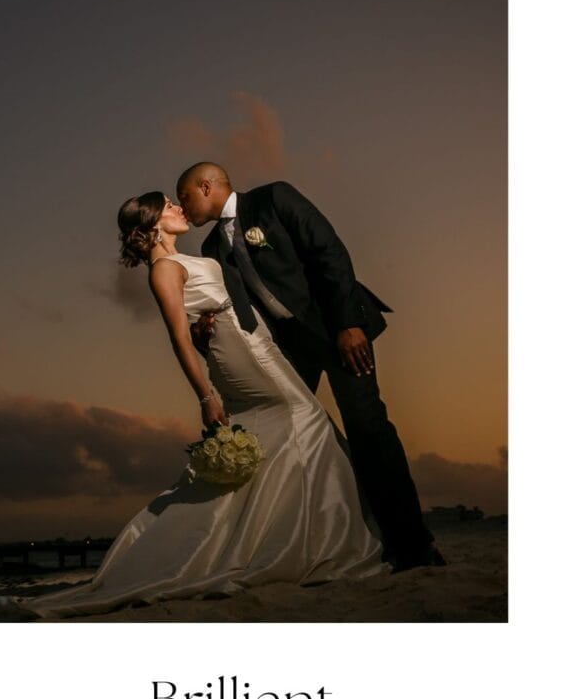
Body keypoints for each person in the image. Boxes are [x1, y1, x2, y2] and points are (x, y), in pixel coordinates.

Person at [0, 191, 385, 622]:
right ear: (153, 223)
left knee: (283, 433)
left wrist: (207, 319)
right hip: (242, 354)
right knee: (305, 418)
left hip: (251, 341)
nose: (179, 208)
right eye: (168, 206)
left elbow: (203, 310)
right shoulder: (163, 270)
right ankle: (315, 542)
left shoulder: (182, 260)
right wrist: (206, 396)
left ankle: (279, 539)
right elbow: (178, 338)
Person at [176, 161, 445, 573]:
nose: (182, 206)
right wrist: (205, 331)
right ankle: (311, 547)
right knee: (288, 439)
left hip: (337, 330)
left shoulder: (274, 198)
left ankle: (412, 545)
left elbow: (329, 252)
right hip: (288, 350)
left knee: (367, 427)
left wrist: (348, 324)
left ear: (207, 186)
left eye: (185, 196)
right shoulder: (212, 249)